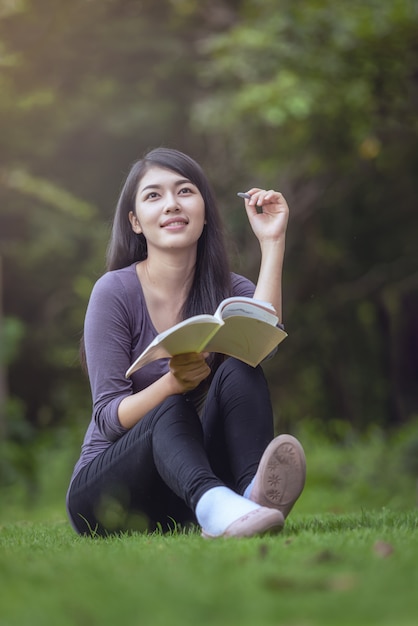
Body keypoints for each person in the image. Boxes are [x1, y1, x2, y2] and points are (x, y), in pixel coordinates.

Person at [66, 147, 306, 539]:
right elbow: (107, 419)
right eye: (154, 196)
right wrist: (171, 384)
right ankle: (218, 503)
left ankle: (251, 496)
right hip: (108, 494)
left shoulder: (230, 291)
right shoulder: (114, 292)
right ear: (135, 222)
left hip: (183, 487)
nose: (172, 205)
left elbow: (264, 345)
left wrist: (272, 240)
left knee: (242, 365)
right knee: (170, 407)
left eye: (185, 191)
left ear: (205, 210)